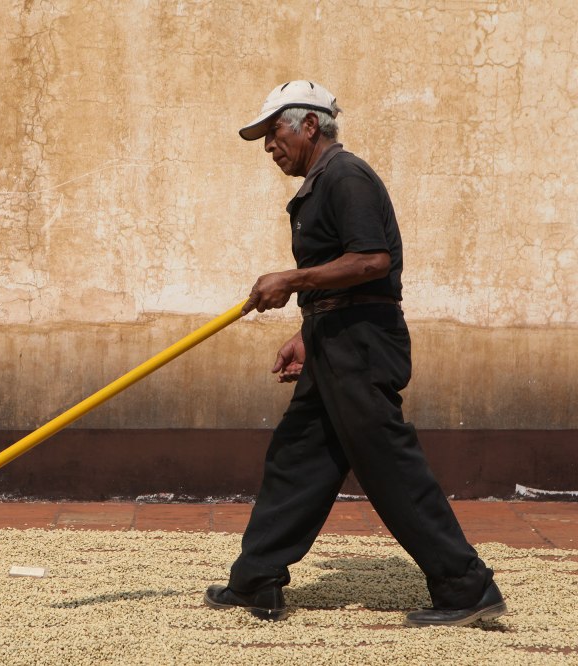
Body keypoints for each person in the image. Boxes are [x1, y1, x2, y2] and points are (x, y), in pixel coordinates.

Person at [204, 80, 506, 627]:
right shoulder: (319, 185)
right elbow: (342, 275)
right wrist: (307, 331)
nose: (269, 147)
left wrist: (292, 280)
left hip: (361, 344)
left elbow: (372, 261)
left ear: (310, 126)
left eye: (274, 133)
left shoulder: (346, 176)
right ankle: (257, 580)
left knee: (388, 466)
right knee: (298, 457)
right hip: (334, 337)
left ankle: (466, 588)